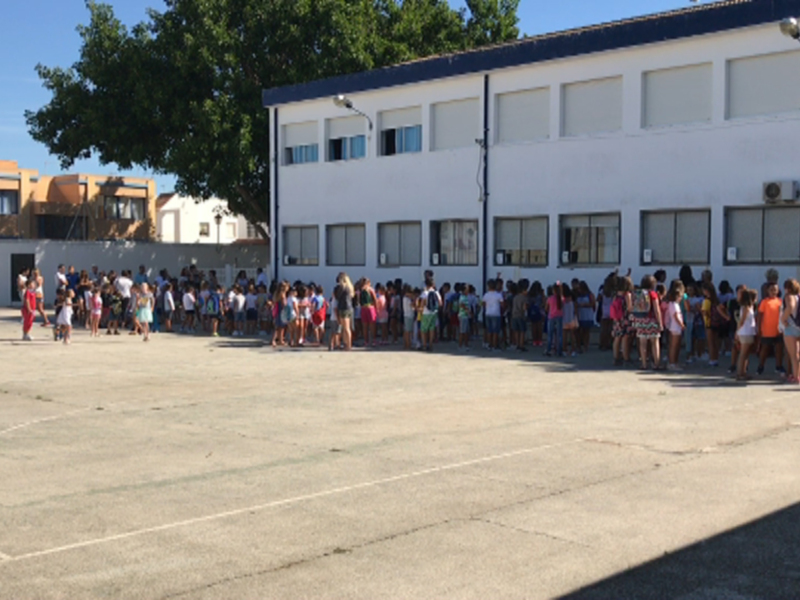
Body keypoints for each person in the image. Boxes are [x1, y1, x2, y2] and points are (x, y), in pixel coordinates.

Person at [631, 275, 663, 370]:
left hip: (640, 320)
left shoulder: (638, 293)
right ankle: (656, 363)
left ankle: (644, 364)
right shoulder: (653, 294)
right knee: (655, 342)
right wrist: (660, 323)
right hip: (651, 320)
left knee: (642, 343)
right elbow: (657, 309)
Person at [756, 282, 785, 377]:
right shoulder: (764, 302)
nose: (773, 291)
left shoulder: (780, 301)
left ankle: (779, 366)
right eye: (771, 290)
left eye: (775, 290)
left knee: (779, 348)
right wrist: (759, 327)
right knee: (765, 349)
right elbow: (760, 315)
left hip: (778, 330)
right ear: (767, 291)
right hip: (767, 330)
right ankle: (761, 366)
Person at [735, 289, 758, 382]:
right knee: (743, 354)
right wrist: (737, 331)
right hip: (745, 332)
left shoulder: (749, 307)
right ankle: (740, 372)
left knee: (746, 354)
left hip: (748, 331)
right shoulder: (746, 308)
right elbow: (742, 321)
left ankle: (743, 371)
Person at [780, 279, 800, 384]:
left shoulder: (789, 296)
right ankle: (798, 375)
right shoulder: (799, 296)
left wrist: (783, 319)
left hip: (791, 326)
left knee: (793, 355)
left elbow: (790, 307)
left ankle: (795, 376)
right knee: (799, 353)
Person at [664, 280, 685, 371]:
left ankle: (674, 362)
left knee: (675, 345)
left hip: (674, 327)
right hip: (675, 327)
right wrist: (682, 324)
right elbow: (676, 316)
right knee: (674, 345)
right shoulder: (674, 305)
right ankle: (672, 363)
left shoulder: (671, 304)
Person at [418, 277, 440, 352]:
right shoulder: (436, 292)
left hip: (426, 312)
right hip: (434, 312)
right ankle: (431, 344)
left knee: (423, 329)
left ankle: (424, 345)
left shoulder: (425, 293)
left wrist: (420, 309)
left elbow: (423, 302)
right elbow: (440, 302)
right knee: (431, 329)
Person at [482, 279, 504, 351]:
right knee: (495, 331)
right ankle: (495, 345)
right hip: (496, 314)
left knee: (489, 330)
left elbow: (484, 304)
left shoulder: (486, 295)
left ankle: (489, 344)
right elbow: (502, 304)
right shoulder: (498, 295)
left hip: (488, 313)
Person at [335, 274, 355, 351]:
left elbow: (338, 296)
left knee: (345, 328)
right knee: (347, 328)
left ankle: (348, 344)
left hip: (344, 308)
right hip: (349, 308)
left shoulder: (343, 288)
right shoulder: (350, 288)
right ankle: (347, 343)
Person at [545, 283, 564, 357]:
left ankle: (548, 349)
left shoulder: (550, 298)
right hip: (559, 316)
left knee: (550, 335)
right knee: (559, 335)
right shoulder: (561, 298)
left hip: (551, 316)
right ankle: (559, 351)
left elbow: (546, 308)